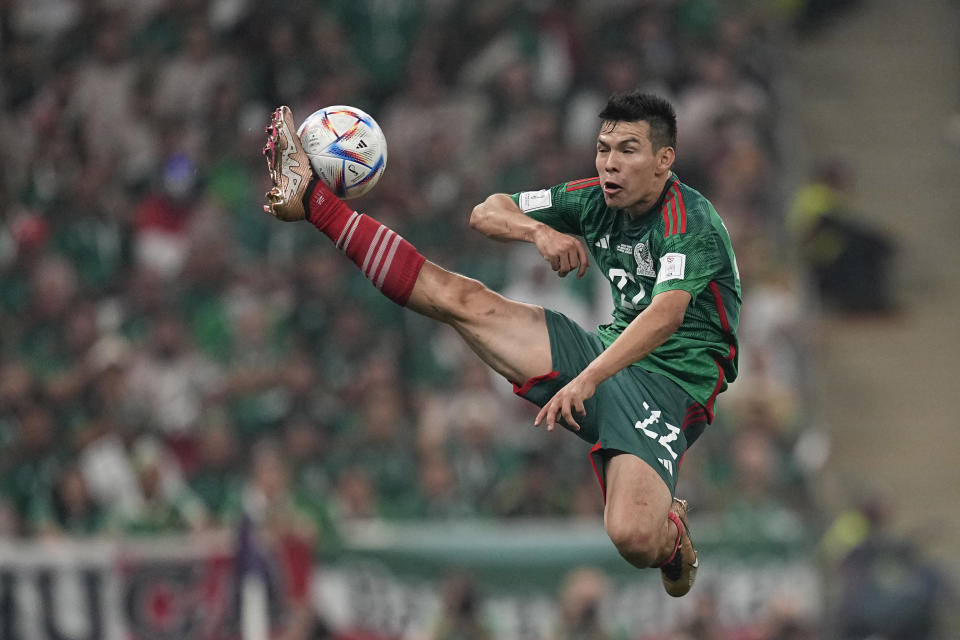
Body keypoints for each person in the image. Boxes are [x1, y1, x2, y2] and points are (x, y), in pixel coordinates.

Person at [260, 90, 741, 597]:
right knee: (459, 299)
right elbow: (487, 212)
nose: (610, 165)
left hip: (670, 390)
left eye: (628, 150)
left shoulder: (691, 222)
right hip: (604, 357)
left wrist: (588, 378)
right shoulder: (593, 199)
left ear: (665, 160)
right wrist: (538, 234)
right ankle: (313, 200)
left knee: (632, 537)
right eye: (603, 149)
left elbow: (665, 316)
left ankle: (673, 536)